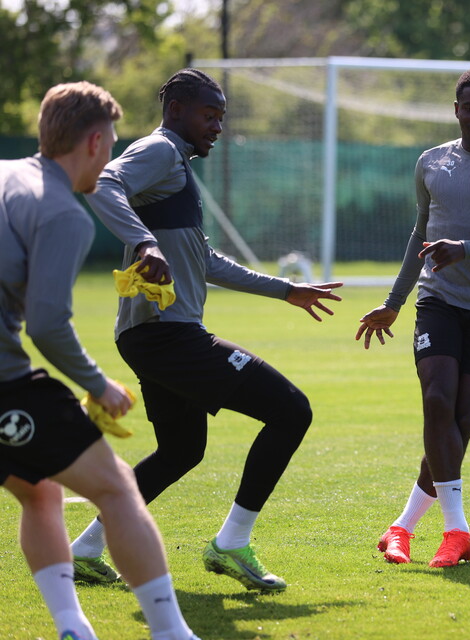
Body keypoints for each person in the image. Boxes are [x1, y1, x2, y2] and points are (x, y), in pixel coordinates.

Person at [68, 68, 344, 593]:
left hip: (156, 337)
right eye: (209, 115)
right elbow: (102, 181)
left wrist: (285, 290)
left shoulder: (176, 165)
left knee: (181, 452)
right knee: (291, 410)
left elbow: (206, 261)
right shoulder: (161, 151)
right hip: (166, 337)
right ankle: (231, 543)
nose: (217, 126)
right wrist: (144, 243)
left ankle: (84, 549)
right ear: (176, 111)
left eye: (221, 117)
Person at [0, 82, 198, 640]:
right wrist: (98, 384)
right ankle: (171, 634)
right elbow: (46, 325)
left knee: (38, 489)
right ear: (93, 141)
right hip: (5, 382)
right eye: (111, 144)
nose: (110, 156)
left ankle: (73, 628)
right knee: (116, 489)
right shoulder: (64, 211)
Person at [356, 67, 470, 567]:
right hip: (437, 302)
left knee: (459, 424)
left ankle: (401, 527)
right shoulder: (431, 163)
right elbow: (420, 238)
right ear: (455, 109)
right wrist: (393, 302)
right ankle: (457, 532)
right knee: (437, 402)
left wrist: (466, 249)